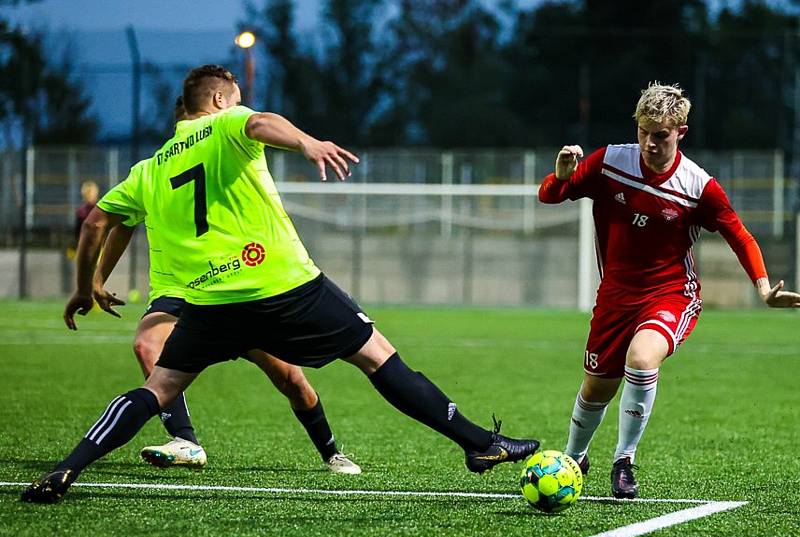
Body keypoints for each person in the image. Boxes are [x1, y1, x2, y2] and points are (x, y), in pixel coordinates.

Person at [22, 64, 539, 503]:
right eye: (238, 100)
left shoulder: (148, 169)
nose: (243, 107)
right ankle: (476, 442)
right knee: (379, 357)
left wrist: (86, 284)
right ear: (220, 100)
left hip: (209, 302)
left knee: (158, 387)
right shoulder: (226, 123)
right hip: (282, 285)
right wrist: (307, 142)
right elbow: (264, 122)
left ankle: (67, 469)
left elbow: (96, 223)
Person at [538, 82, 800, 499]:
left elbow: (741, 236)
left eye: (660, 135)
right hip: (615, 297)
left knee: (641, 359)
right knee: (596, 389)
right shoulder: (609, 162)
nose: (650, 143)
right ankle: (574, 457)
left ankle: (623, 461)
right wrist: (561, 176)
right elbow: (551, 196)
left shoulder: (698, 186)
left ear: (681, 132)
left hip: (671, 294)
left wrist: (764, 288)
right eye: (644, 131)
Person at [90, 95, 362, 475]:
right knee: (146, 343)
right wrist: (97, 278)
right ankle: (185, 439)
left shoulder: (220, 151)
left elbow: (103, 223)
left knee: (290, 378)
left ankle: (331, 450)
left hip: (231, 289)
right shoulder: (154, 169)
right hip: (180, 291)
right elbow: (118, 221)